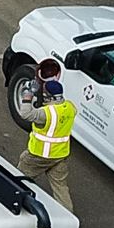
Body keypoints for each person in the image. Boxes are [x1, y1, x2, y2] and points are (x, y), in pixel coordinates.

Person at [22, 56, 76, 211]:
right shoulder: (70, 107)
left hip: (39, 155)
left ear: (47, 96)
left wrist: (29, 94)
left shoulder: (46, 114)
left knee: (19, 177)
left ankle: (18, 207)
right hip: (60, 156)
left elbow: (25, 113)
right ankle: (68, 216)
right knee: (60, 188)